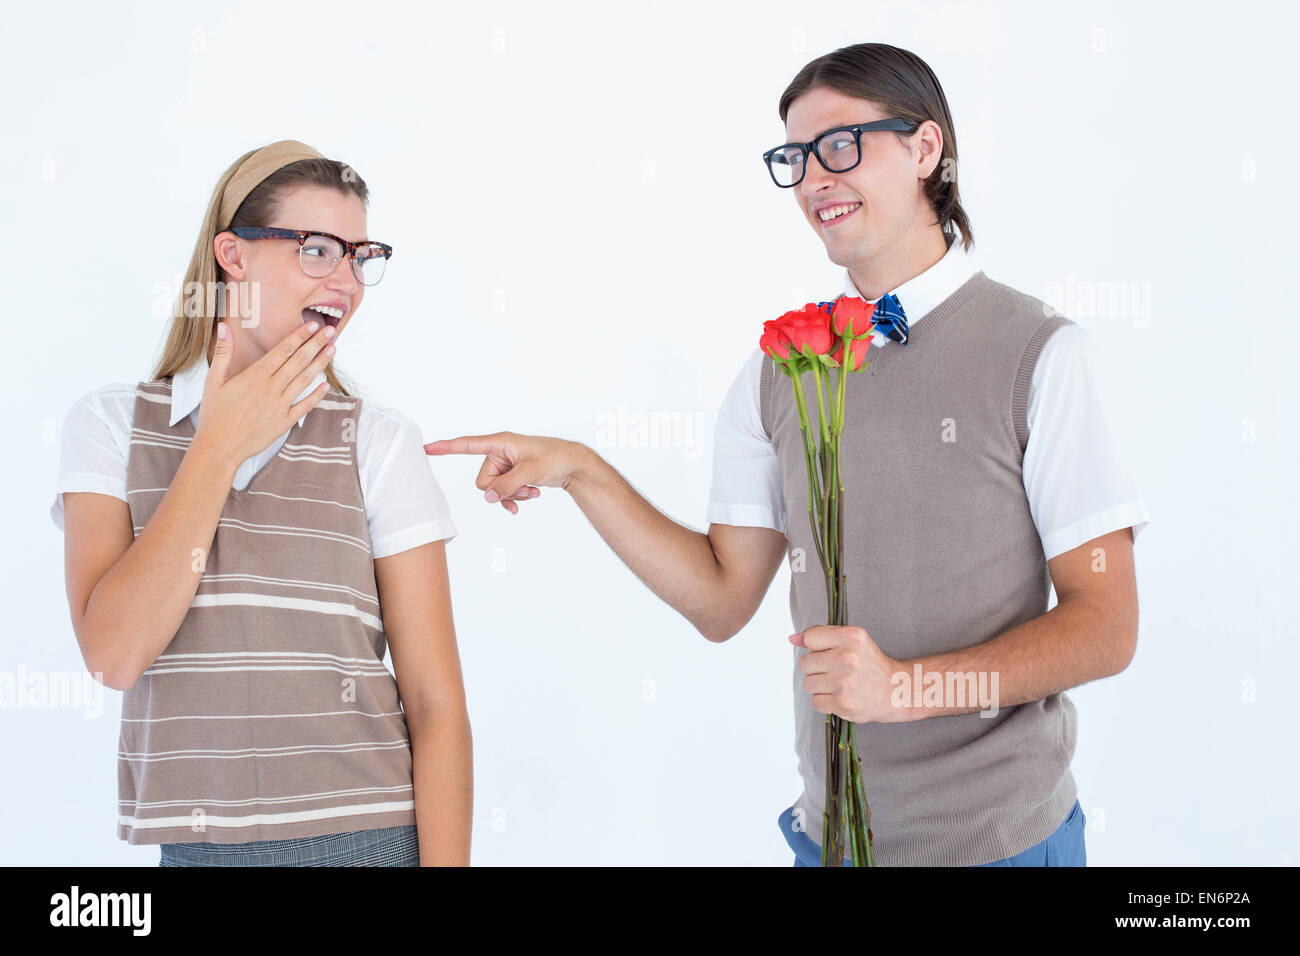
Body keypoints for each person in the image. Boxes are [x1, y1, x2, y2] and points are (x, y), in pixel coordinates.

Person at [426, 43, 1149, 866]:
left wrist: (911, 691)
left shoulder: (1041, 354)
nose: (813, 179)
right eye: (795, 157)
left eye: (840, 146)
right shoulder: (778, 371)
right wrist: (584, 470)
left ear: (925, 149)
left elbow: (1106, 627)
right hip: (828, 841)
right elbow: (721, 601)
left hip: (1003, 844)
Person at [52, 140, 474, 866]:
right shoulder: (111, 427)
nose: (346, 279)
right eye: (316, 250)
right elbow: (115, 656)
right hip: (197, 851)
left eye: (359, 255)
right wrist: (214, 449)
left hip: (368, 843)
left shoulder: (377, 441)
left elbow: (437, 709)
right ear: (233, 256)